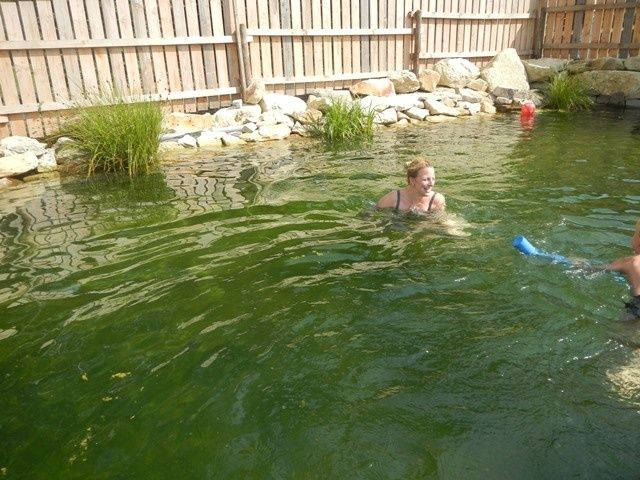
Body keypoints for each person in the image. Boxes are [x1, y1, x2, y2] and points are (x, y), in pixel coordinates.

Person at [376, 156, 445, 214]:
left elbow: (442, 221)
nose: (431, 184)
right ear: (412, 180)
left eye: (433, 179)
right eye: (425, 179)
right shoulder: (393, 199)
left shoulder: (436, 200)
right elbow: (373, 216)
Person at [603, 219, 640, 320]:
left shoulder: (632, 261)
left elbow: (599, 270)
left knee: (620, 334)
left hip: (638, 306)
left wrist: (581, 264)